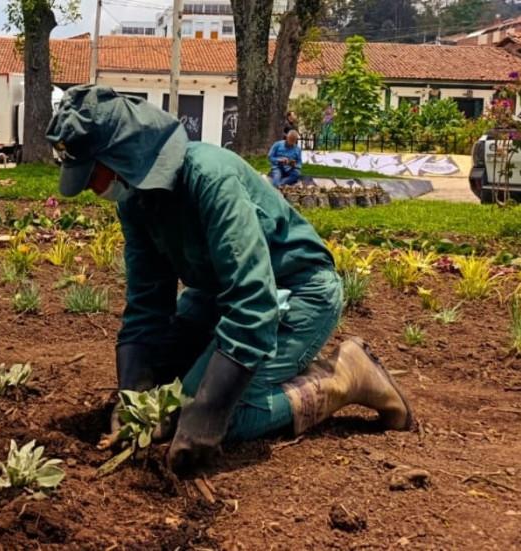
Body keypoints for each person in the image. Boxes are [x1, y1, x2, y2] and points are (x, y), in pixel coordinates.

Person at [46, 85, 414, 475]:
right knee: (163, 402)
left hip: (298, 292)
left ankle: (346, 378)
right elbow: (147, 304)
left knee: (210, 414)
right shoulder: (137, 201)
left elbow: (254, 302)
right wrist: (132, 398)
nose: (89, 186)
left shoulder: (210, 178)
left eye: (91, 174)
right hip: (217, 297)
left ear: (125, 156)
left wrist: (207, 411)